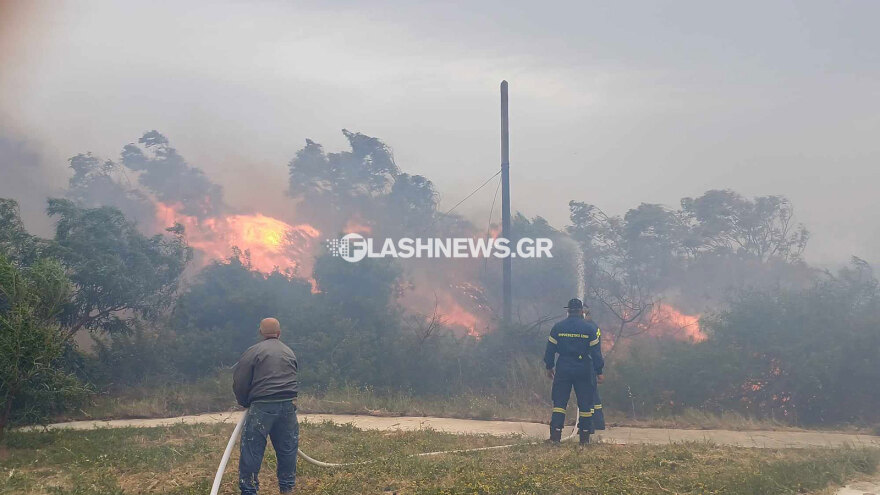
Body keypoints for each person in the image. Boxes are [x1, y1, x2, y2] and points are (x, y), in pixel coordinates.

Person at [233, 317, 299, 494]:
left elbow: (240, 380)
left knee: (252, 450)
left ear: (260, 332)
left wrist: (244, 401)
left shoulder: (254, 351)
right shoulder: (289, 352)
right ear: (279, 333)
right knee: (288, 449)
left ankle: (249, 490)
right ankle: (287, 489)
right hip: (288, 405)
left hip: (262, 405)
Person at [543, 298, 605, 445]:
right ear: (582, 312)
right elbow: (596, 353)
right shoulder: (589, 329)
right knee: (585, 403)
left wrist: (549, 366)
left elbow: (550, 350)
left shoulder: (558, 327)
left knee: (559, 402)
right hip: (584, 367)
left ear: (568, 311)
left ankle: (555, 436)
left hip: (563, 367)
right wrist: (599, 371)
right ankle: (584, 438)